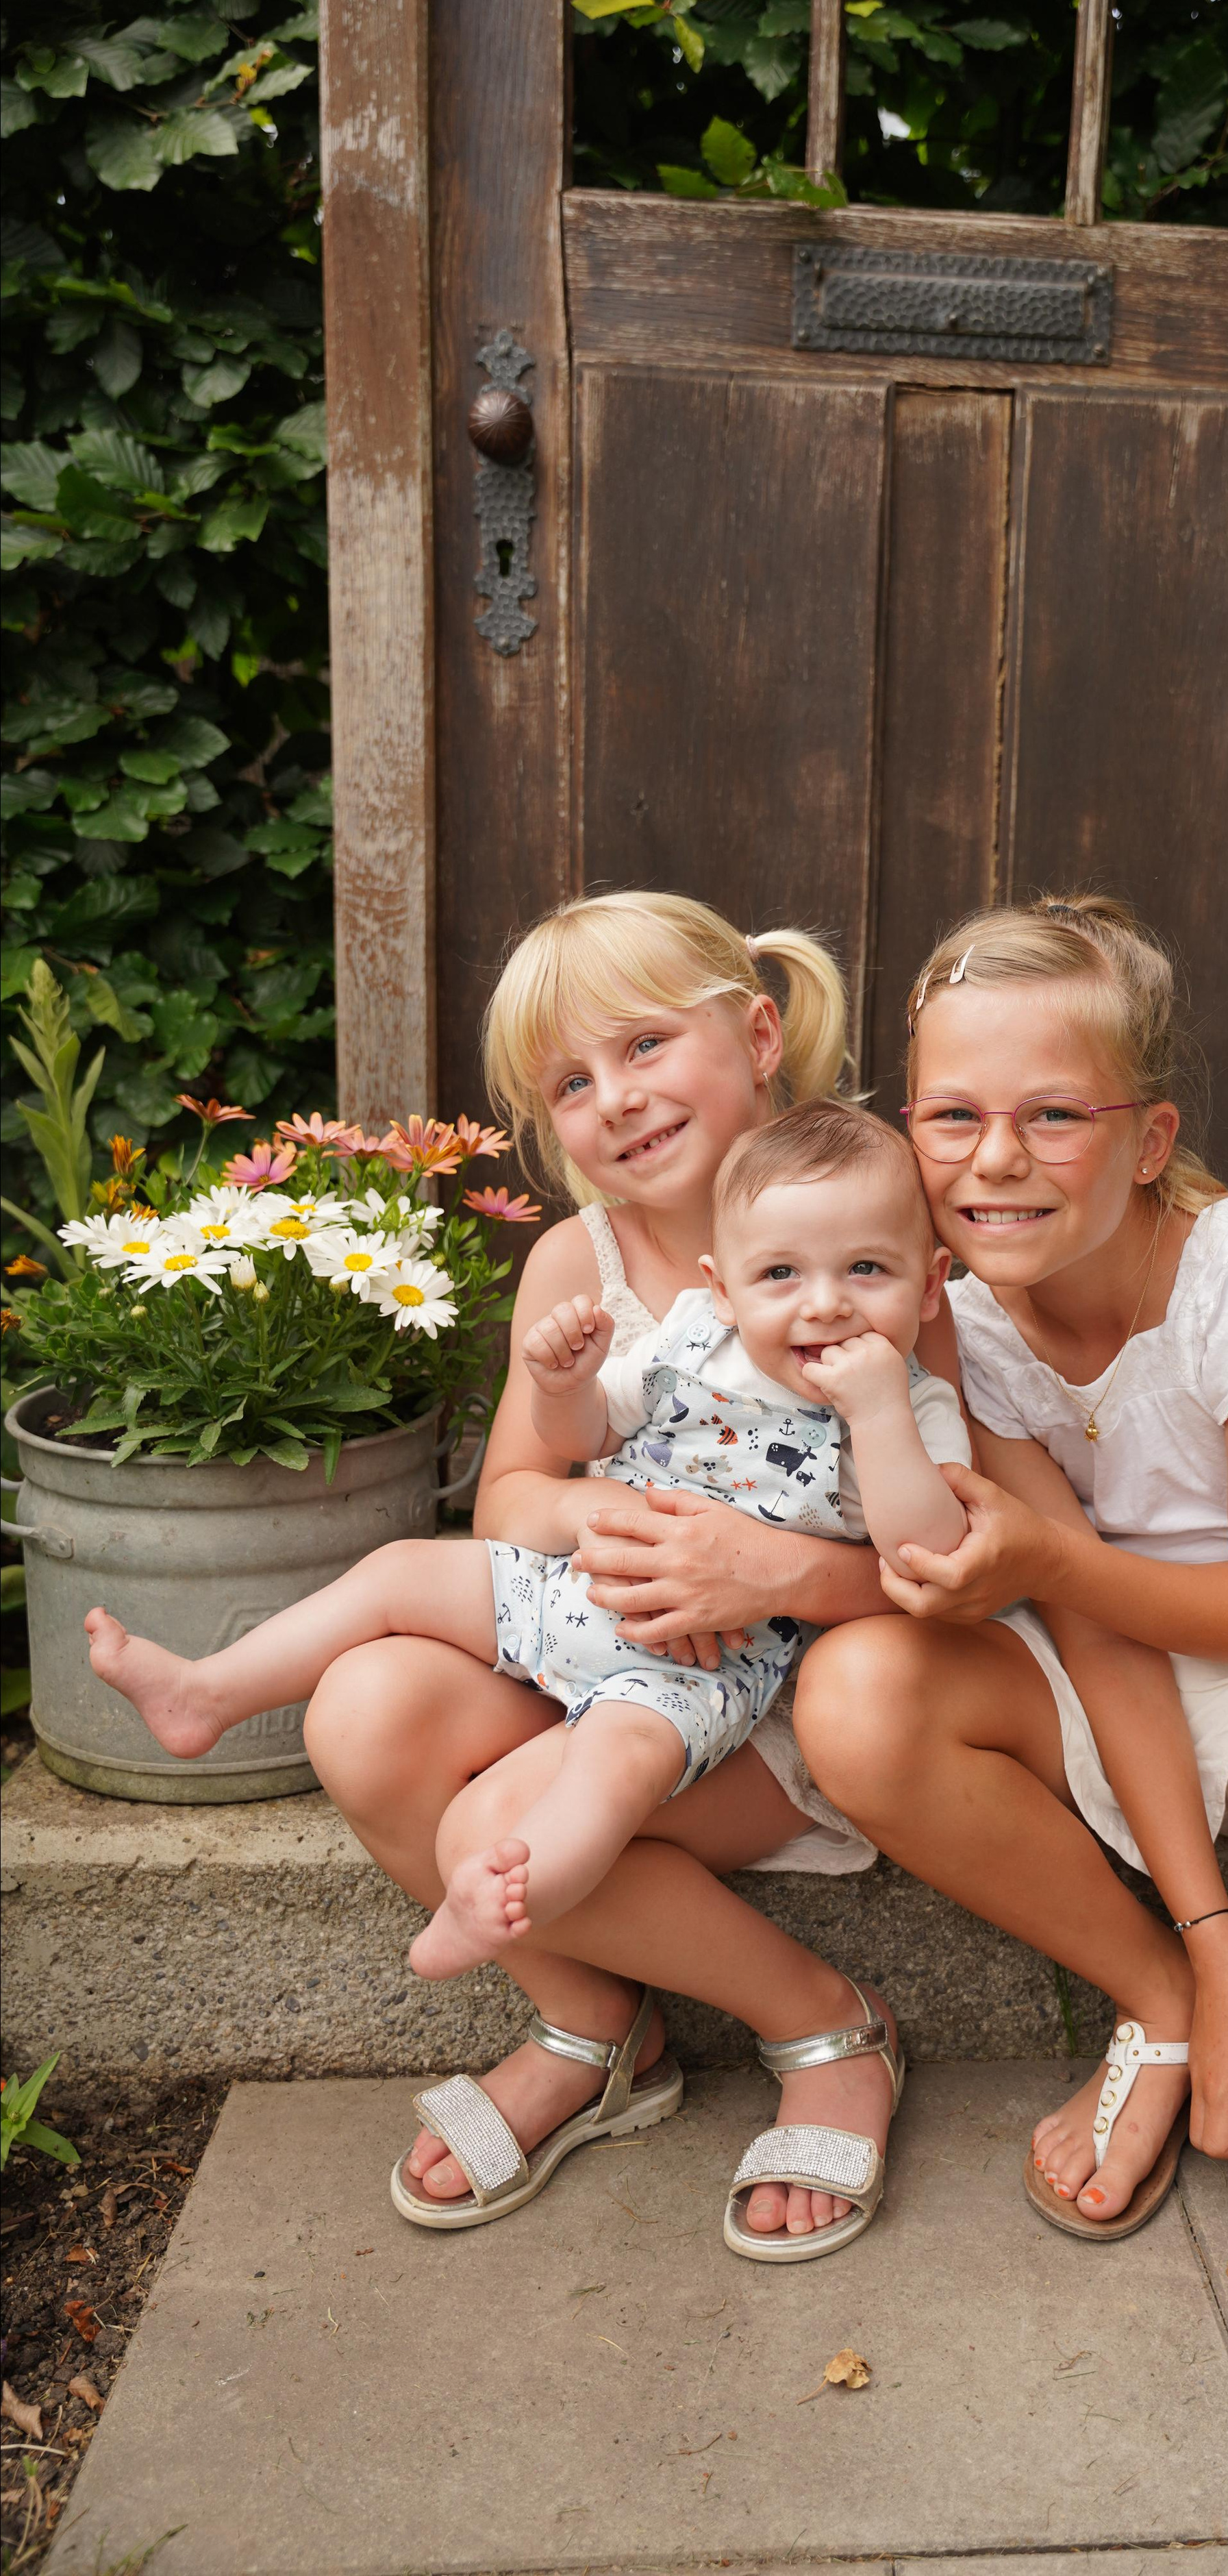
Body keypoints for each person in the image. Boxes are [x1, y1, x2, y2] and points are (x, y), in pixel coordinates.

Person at [793, 896, 1228, 2334]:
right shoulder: (956, 1310)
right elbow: (1083, 1618)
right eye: (952, 1115)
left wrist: (1044, 1563)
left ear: (1146, 1137)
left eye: (1054, 1114)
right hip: (1097, 1671)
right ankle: (1166, 2001)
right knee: (856, 1692)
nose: (995, 1159)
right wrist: (1207, 1935)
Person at [182, 893, 914, 2258]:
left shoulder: (870, 1232)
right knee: (361, 1709)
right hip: (610, 1643)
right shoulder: (579, 1261)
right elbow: (511, 1499)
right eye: (570, 1083)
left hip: (779, 1696)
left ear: (758, 1036)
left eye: (643, 1045)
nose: (614, 1097)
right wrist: (616, 1519)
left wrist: (762, 1567)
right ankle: (596, 2025)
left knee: (493, 1831)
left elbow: (955, 1553)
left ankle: (827, 2022)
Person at [84, 1098, 968, 1987]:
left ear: (930, 1284)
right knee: (399, 1571)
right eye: (780, 1273)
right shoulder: (693, 1338)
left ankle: (511, 1896)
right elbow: (588, 1432)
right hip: (566, 1586)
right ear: (724, 1287)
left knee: (610, 1770)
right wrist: (563, 1385)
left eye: (866, 1269)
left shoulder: (912, 1404)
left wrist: (878, 1413)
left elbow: (928, 1551)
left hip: (693, 1668)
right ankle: (207, 1692)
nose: (826, 1303)